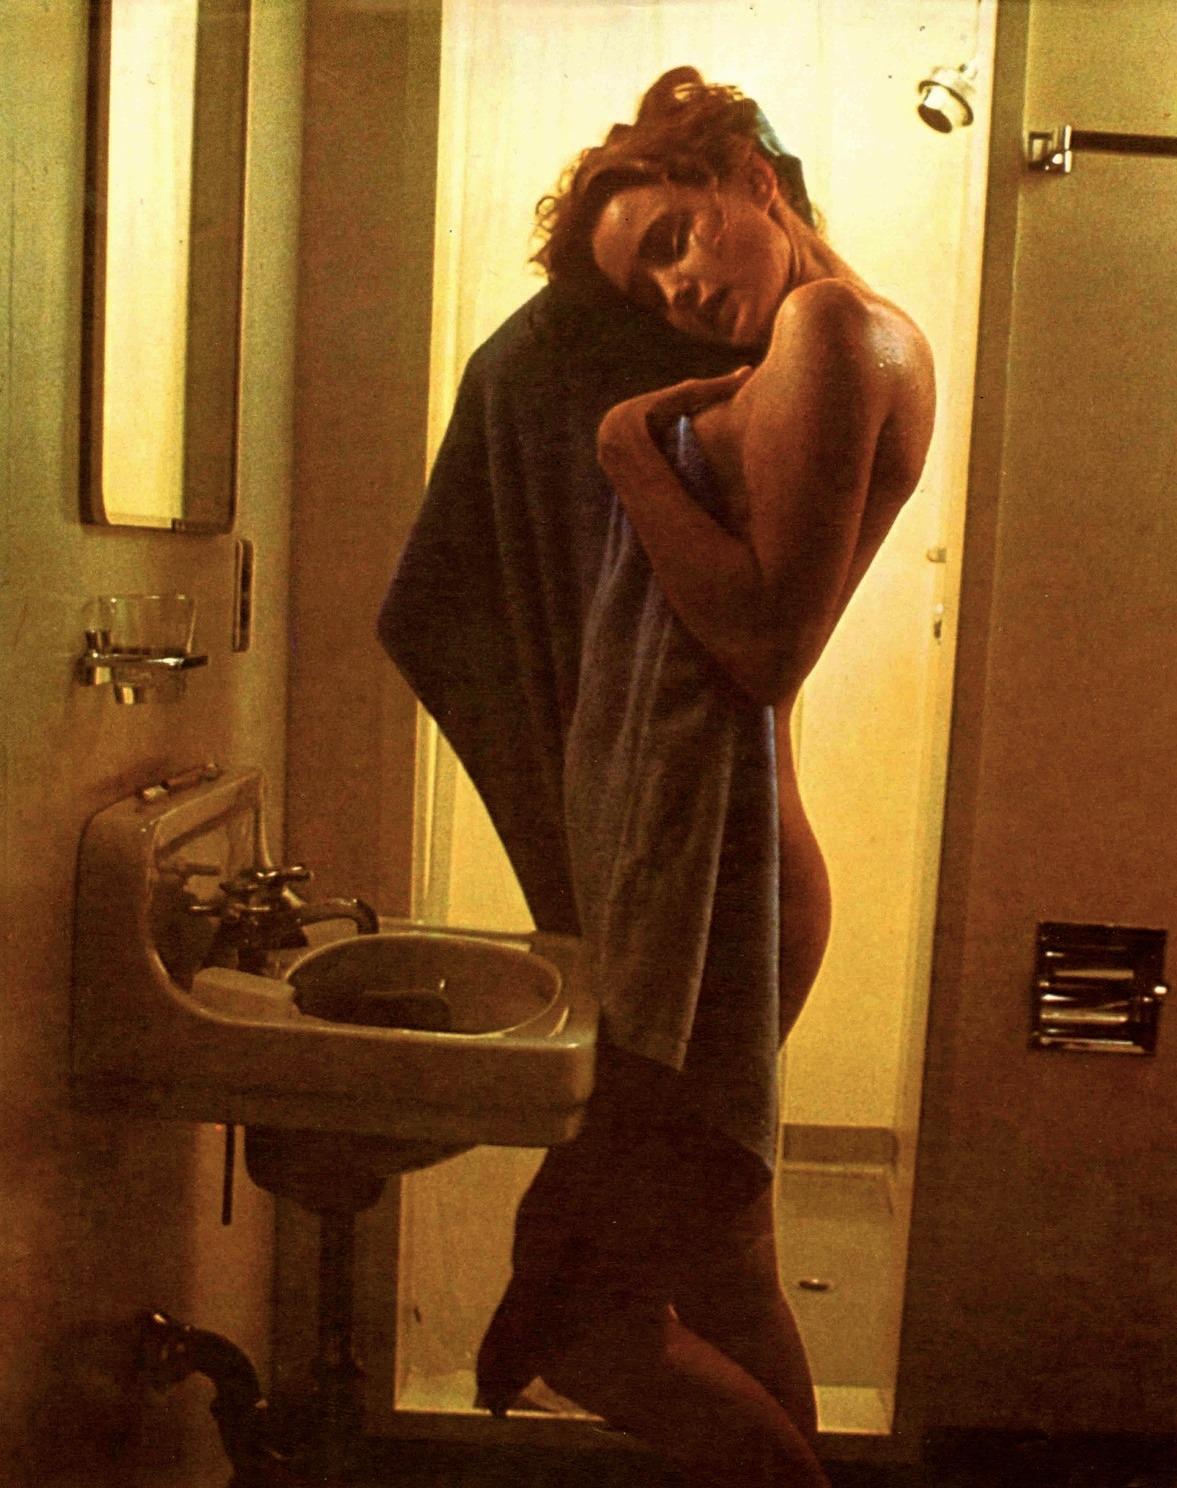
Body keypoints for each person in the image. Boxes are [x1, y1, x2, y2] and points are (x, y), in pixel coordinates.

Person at [381, 66, 933, 1488]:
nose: (678, 289)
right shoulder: (804, 344)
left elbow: (759, 647)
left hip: (729, 891)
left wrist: (629, 450)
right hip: (737, 872)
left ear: (752, 174)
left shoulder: (834, 329)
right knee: (725, 1270)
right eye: (650, 281)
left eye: (679, 236)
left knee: (585, 1322)